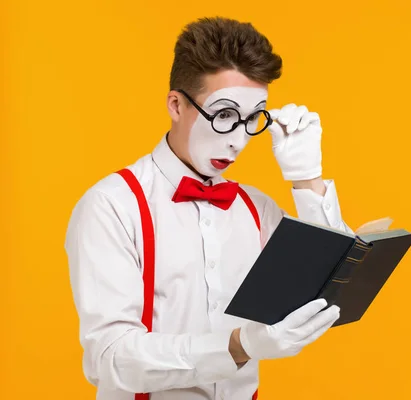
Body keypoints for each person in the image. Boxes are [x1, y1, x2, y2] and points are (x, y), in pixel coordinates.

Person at [65, 16, 353, 400]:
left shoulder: (255, 209)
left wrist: (307, 176)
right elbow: (112, 358)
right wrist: (240, 345)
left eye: (252, 119)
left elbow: (331, 287)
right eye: (224, 116)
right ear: (176, 105)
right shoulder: (112, 205)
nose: (238, 141)